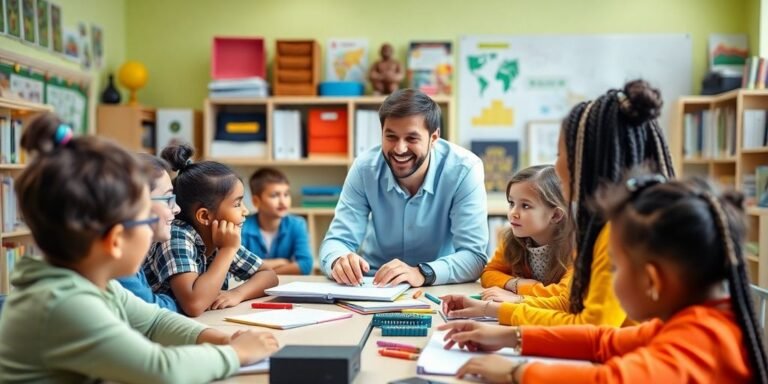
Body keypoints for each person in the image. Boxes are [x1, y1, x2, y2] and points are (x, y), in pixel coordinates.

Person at [0, 113, 279, 383]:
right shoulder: (62, 303)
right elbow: (161, 370)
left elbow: (155, 321)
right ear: (116, 240)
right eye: (146, 223)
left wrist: (221, 338)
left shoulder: (97, 286)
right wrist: (235, 353)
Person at [438, 173, 767, 384]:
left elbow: (607, 379)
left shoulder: (692, 346)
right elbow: (602, 342)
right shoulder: (692, 321)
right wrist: (507, 337)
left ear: (652, 280)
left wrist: (515, 372)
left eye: (614, 267)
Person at [441, 79, 675, 326]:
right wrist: (493, 310)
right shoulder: (610, 224)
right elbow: (575, 309)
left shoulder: (619, 232)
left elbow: (591, 330)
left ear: (586, 160)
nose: (556, 165)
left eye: (560, 154)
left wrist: (509, 327)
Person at [320, 88, 489, 287]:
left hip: (437, 284)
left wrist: (421, 272)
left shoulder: (465, 169)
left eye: (411, 138)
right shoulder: (365, 168)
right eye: (391, 137)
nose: (400, 149)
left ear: (433, 138)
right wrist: (339, 260)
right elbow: (336, 241)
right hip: (374, 284)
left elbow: (474, 256)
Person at [144, 144, 278, 317]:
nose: (245, 211)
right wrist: (228, 251)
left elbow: (269, 275)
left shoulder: (218, 238)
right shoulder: (176, 237)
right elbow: (194, 304)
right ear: (205, 216)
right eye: (237, 204)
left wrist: (237, 294)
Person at [479, 165, 573, 303]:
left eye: (525, 206)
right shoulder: (512, 240)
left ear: (556, 215)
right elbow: (488, 274)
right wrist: (516, 284)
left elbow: (564, 294)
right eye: (511, 203)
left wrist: (520, 296)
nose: (513, 213)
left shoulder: (575, 249)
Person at [117, 154, 181, 311]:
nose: (177, 208)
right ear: (137, 204)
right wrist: (189, 301)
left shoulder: (132, 255)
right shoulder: (118, 263)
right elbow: (155, 311)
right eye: (167, 199)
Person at [241, 167, 313, 275]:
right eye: (274, 195)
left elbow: (305, 265)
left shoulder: (297, 224)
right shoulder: (243, 227)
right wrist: (281, 262)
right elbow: (240, 267)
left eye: (286, 194)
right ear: (256, 201)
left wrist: (262, 272)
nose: (283, 201)